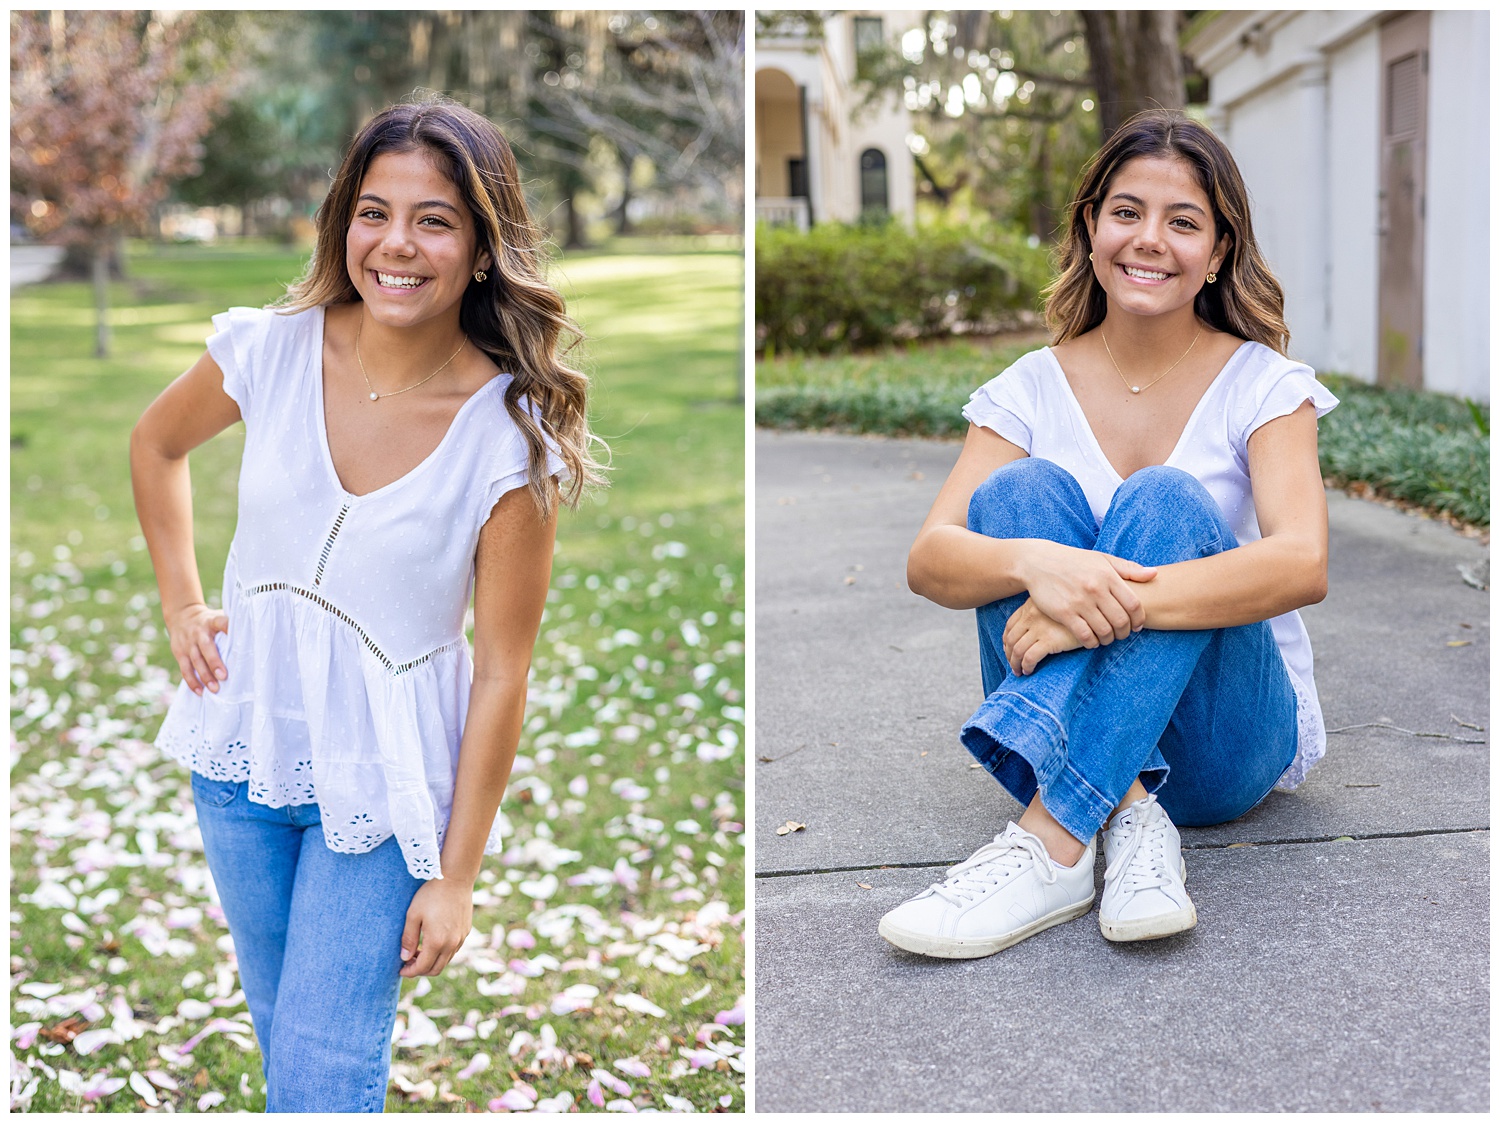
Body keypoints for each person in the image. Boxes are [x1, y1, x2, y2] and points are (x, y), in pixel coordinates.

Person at [130, 97, 603, 1110]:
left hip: (383, 798)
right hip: (241, 758)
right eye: (373, 211)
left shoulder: (508, 439)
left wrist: (458, 875)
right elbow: (155, 444)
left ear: (481, 247)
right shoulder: (268, 347)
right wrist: (181, 603)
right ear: (344, 222)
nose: (396, 244)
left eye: (434, 219)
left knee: (321, 1066)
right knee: (285, 1041)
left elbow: (504, 667)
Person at [878, 110, 1337, 959]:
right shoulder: (1029, 388)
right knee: (1019, 495)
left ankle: (1051, 844)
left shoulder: (1265, 385)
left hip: (1222, 740)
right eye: (1126, 212)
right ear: (1090, 227)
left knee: (1164, 500)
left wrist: (1094, 603)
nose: (1149, 239)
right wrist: (1042, 564)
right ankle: (1126, 813)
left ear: (1220, 251)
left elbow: (1301, 563)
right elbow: (930, 559)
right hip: (1091, 732)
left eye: (1183, 221)